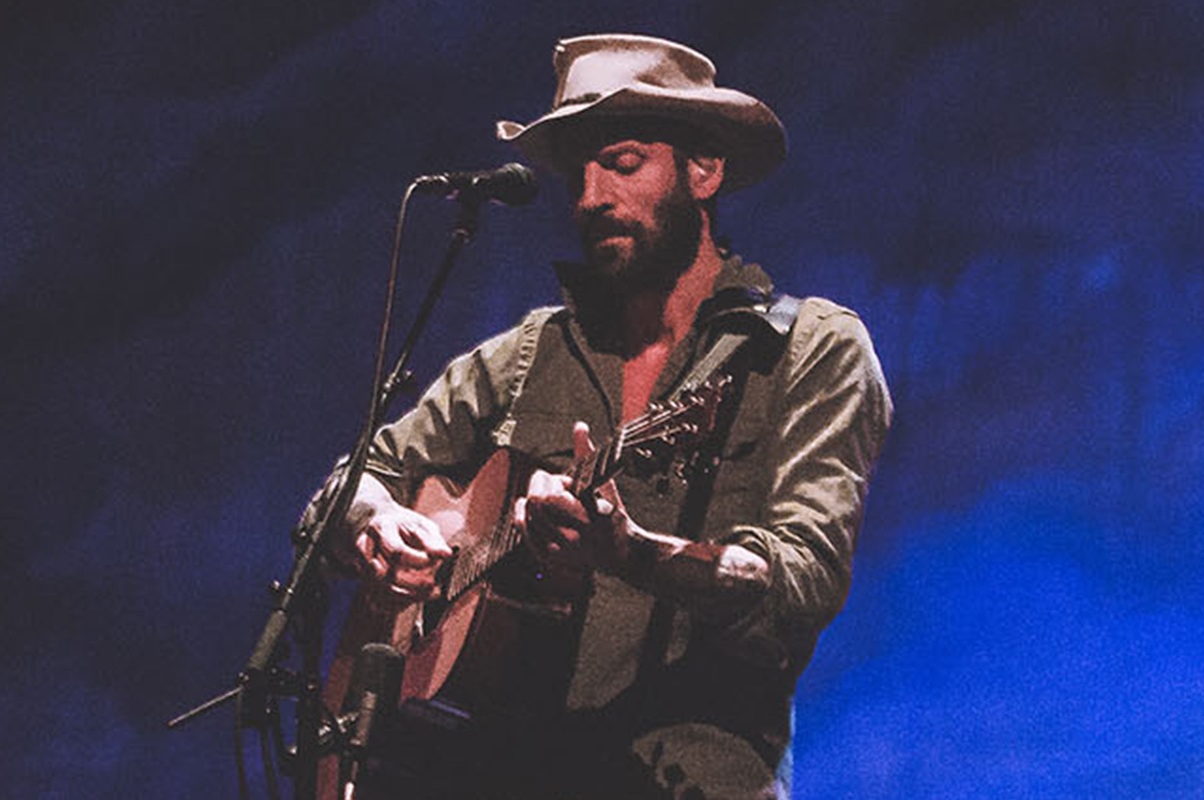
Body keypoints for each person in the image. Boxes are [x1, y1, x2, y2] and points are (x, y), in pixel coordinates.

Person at [322, 33, 891, 800]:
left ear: (704, 169)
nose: (591, 196)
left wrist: (633, 553)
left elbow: (804, 581)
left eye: (621, 163)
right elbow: (351, 484)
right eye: (579, 174)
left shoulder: (806, 348)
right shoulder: (533, 349)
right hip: (489, 770)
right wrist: (373, 523)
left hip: (688, 779)